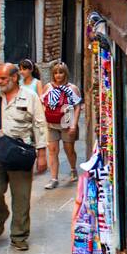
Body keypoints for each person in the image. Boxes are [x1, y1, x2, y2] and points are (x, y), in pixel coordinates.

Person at [0, 62, 48, 251]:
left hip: (19, 152)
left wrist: (42, 153)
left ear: (14, 78)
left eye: (3, 78)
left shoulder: (30, 97)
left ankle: (19, 235)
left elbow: (39, 124)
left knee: (21, 197)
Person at [41, 61, 83, 190]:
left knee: (68, 149)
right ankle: (54, 178)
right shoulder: (48, 87)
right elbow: (43, 102)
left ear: (65, 73)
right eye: (55, 73)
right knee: (53, 151)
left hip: (67, 122)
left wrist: (74, 125)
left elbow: (77, 107)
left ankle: (72, 168)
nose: (58, 75)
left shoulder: (72, 88)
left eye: (61, 72)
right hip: (51, 123)